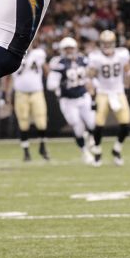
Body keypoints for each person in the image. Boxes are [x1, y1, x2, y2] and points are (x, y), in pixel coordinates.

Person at [47, 37, 97, 166]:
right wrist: (57, 81)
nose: (69, 51)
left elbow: (91, 76)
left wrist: (92, 85)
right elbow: (51, 84)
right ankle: (84, 151)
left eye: (71, 48)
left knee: (92, 123)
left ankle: (91, 138)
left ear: (75, 48)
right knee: (77, 126)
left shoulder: (83, 60)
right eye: (66, 49)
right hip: (68, 100)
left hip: (83, 95)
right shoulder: (59, 63)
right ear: (62, 50)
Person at [87, 29, 130, 166]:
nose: (107, 46)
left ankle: (117, 149)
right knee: (99, 124)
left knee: (126, 123)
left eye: (109, 43)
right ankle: (97, 152)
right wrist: (91, 94)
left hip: (118, 92)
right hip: (102, 93)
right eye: (104, 43)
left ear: (114, 43)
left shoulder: (122, 54)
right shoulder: (95, 57)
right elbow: (89, 77)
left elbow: (129, 72)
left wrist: (126, 89)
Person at [6, 45, 50, 161]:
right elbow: (9, 77)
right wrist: (7, 94)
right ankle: (26, 152)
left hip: (37, 92)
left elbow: (47, 70)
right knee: (23, 122)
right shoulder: (13, 55)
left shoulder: (38, 54)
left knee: (41, 121)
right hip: (21, 93)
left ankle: (43, 147)